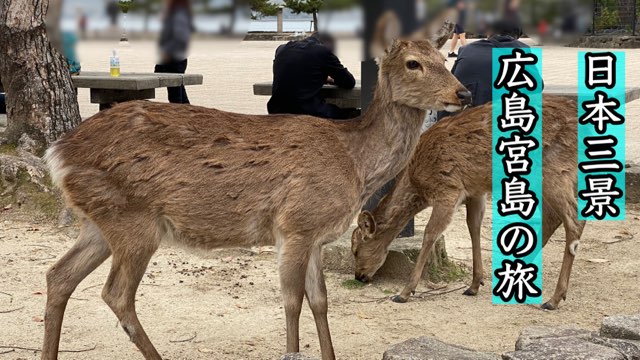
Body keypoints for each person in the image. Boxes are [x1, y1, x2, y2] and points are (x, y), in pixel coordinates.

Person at [267, 33, 357, 120]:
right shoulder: (322, 51)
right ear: (328, 44)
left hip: (276, 109)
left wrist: (322, 77)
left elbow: (294, 72)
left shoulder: (281, 49)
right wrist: (331, 80)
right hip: (307, 111)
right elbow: (349, 82)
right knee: (352, 114)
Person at [154, 0, 193, 104]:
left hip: (174, 58)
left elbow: (180, 37)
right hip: (175, 58)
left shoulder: (178, 14)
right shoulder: (176, 13)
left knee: (175, 95)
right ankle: (187, 114)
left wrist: (167, 52)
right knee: (179, 90)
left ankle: (182, 116)